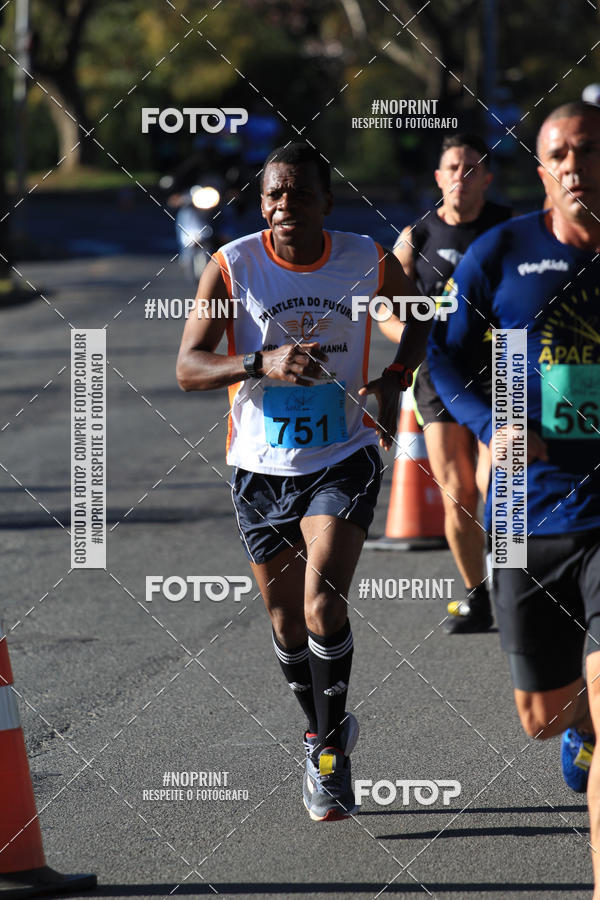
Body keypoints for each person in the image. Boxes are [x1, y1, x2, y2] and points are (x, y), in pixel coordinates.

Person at [176, 142, 430, 822]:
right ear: (262, 205)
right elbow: (189, 366)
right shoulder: (234, 265)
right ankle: (321, 730)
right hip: (259, 467)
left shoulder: (364, 257)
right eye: (272, 197)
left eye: (297, 194)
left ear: (326, 201)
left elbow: (422, 320)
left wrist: (393, 379)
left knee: (322, 604)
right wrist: (260, 360)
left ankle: (330, 763)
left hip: (342, 454)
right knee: (287, 623)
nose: (284, 206)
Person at [427, 102, 600, 893]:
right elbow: (444, 359)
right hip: (526, 516)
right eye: (558, 154)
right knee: (542, 717)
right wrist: (486, 427)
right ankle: (582, 729)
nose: (574, 165)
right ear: (540, 172)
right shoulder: (500, 254)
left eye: (588, 151)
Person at [381, 133, 510, 633]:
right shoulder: (416, 238)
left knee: (497, 482)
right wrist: (414, 344)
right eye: (452, 167)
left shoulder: (509, 228)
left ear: (487, 177)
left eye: (472, 167)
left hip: (503, 366)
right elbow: (385, 310)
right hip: (439, 372)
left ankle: (513, 574)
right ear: (439, 178)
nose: (462, 175)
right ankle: (478, 597)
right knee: (458, 493)